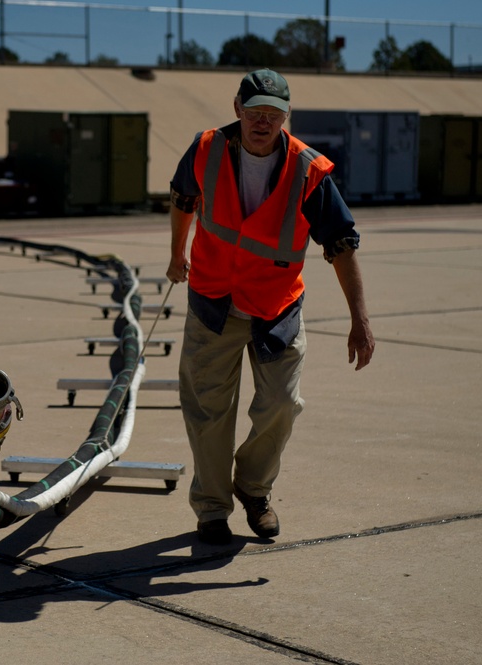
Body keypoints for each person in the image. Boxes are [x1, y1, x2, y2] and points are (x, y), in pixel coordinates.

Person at [166, 68, 375, 546]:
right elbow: (182, 198)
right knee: (208, 412)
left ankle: (253, 489)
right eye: (255, 111)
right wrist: (178, 253)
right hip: (213, 301)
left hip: (275, 307)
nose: (263, 122)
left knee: (282, 403)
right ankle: (213, 510)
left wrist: (359, 321)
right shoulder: (206, 149)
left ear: (287, 117)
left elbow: (341, 244)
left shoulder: (309, 171)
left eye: (274, 114)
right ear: (237, 108)